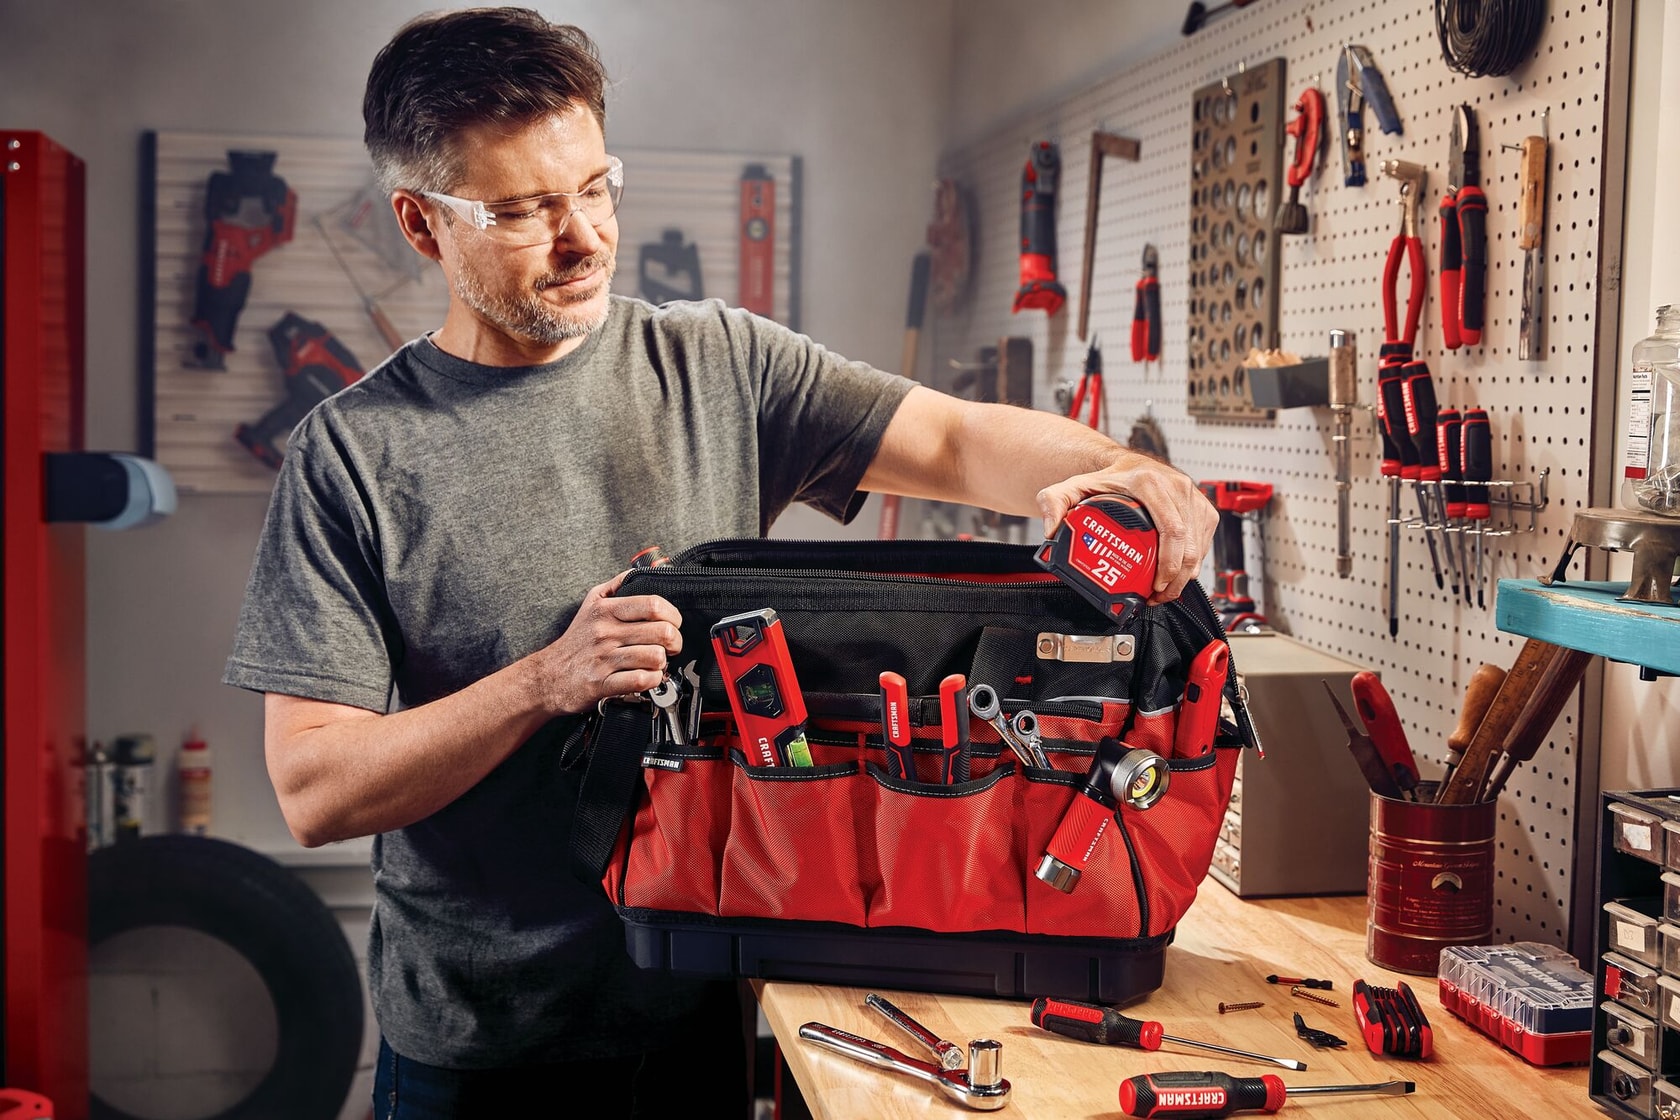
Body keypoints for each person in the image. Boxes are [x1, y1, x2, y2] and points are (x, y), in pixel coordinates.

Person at [224, 7, 1217, 1117]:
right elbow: (314, 788)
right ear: (421, 225)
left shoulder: (718, 365)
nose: (583, 236)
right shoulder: (353, 454)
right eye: (520, 211)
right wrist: (547, 681)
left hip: (707, 1000)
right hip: (484, 1049)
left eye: (595, 186)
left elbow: (949, 439)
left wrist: (1122, 470)